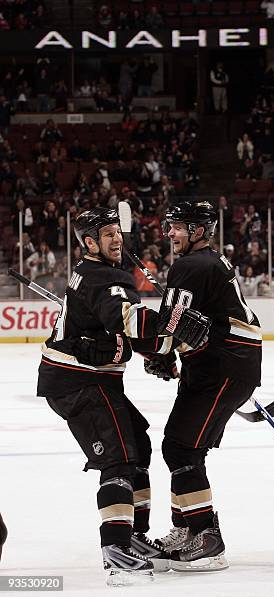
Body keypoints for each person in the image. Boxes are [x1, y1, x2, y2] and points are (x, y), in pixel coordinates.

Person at [36, 207, 210, 586]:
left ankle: (132, 534)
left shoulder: (101, 274)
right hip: (78, 382)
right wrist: (172, 327)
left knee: (139, 446)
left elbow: (115, 331)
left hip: (91, 380)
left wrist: (157, 353)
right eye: (108, 233)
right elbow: (126, 321)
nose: (118, 238)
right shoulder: (103, 277)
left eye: (118, 231)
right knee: (118, 458)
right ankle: (115, 552)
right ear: (89, 243)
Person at [142, 201, 263, 572]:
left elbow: (172, 319)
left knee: (180, 447)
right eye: (171, 226)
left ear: (198, 230)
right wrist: (171, 353)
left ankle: (206, 536)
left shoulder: (191, 265)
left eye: (178, 227)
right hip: (220, 365)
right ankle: (187, 529)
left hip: (221, 369)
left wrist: (158, 353)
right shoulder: (209, 261)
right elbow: (189, 320)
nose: (171, 234)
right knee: (184, 447)